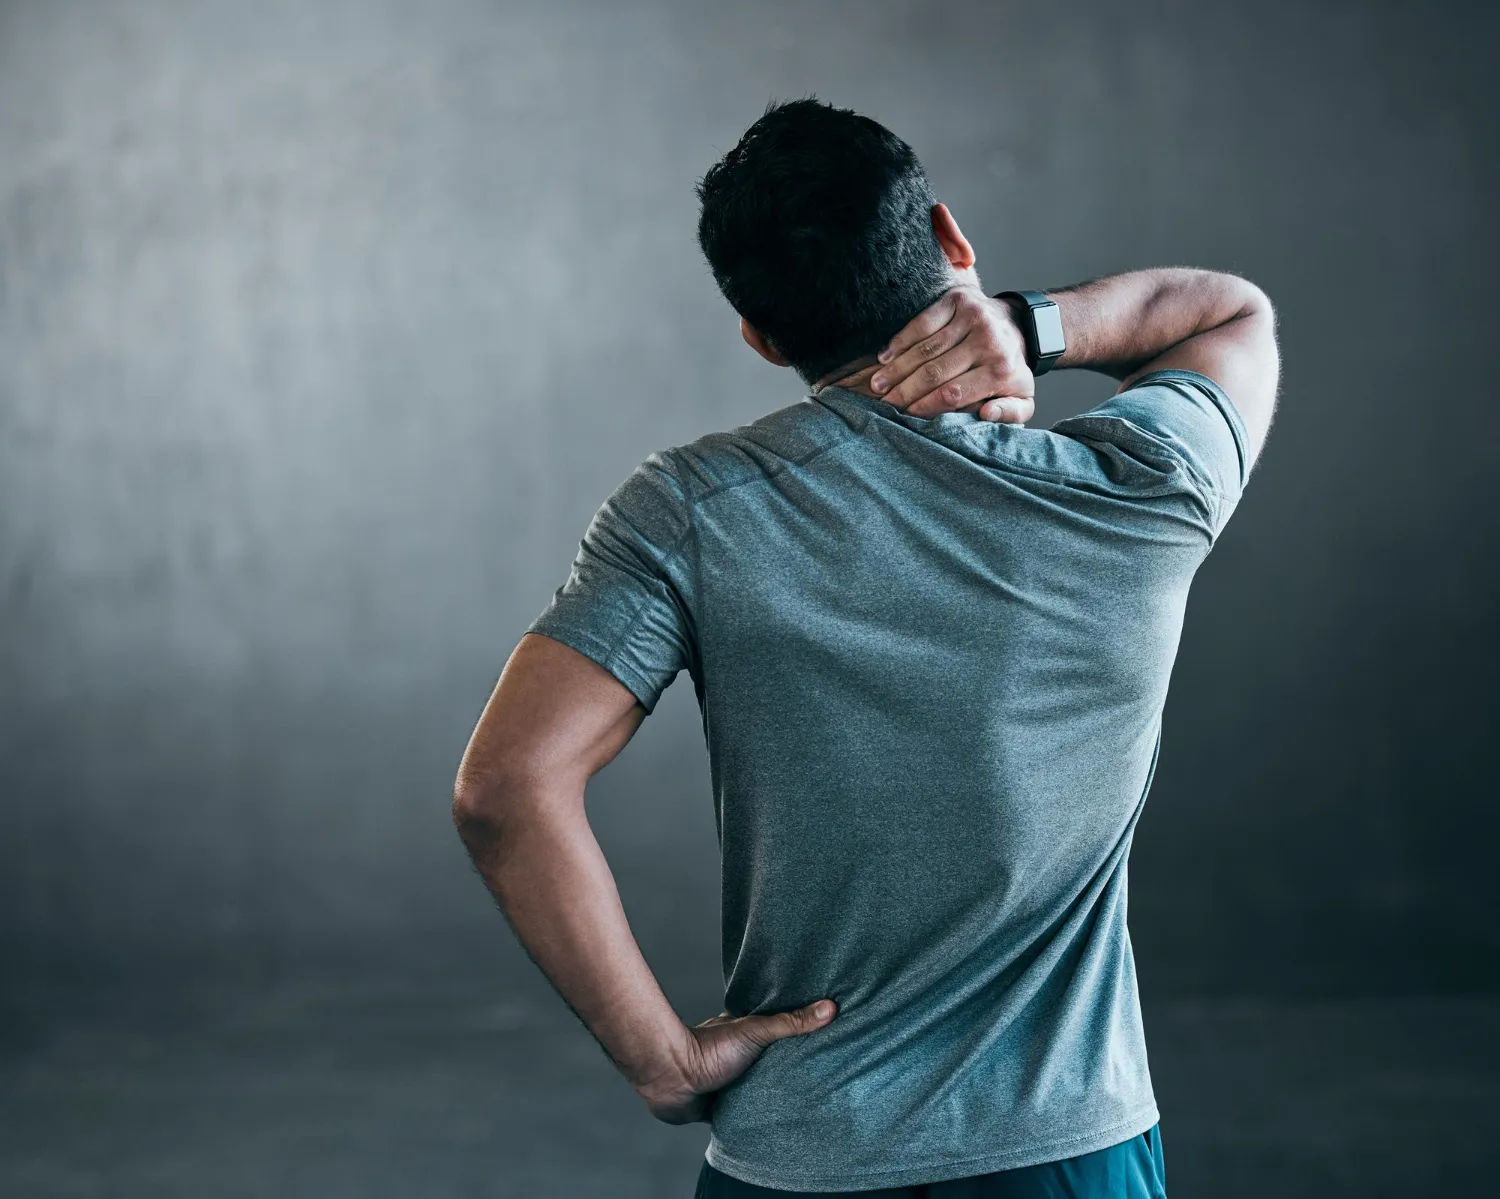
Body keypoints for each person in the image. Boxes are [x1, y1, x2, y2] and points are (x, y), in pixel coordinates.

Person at [452, 97, 1279, 1197]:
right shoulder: (1138, 485)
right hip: (1064, 1152)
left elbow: (504, 789)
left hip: (798, 1156)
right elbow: (1230, 312)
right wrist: (1029, 325)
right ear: (949, 238)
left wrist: (665, 1061)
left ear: (761, 335)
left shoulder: (690, 511)